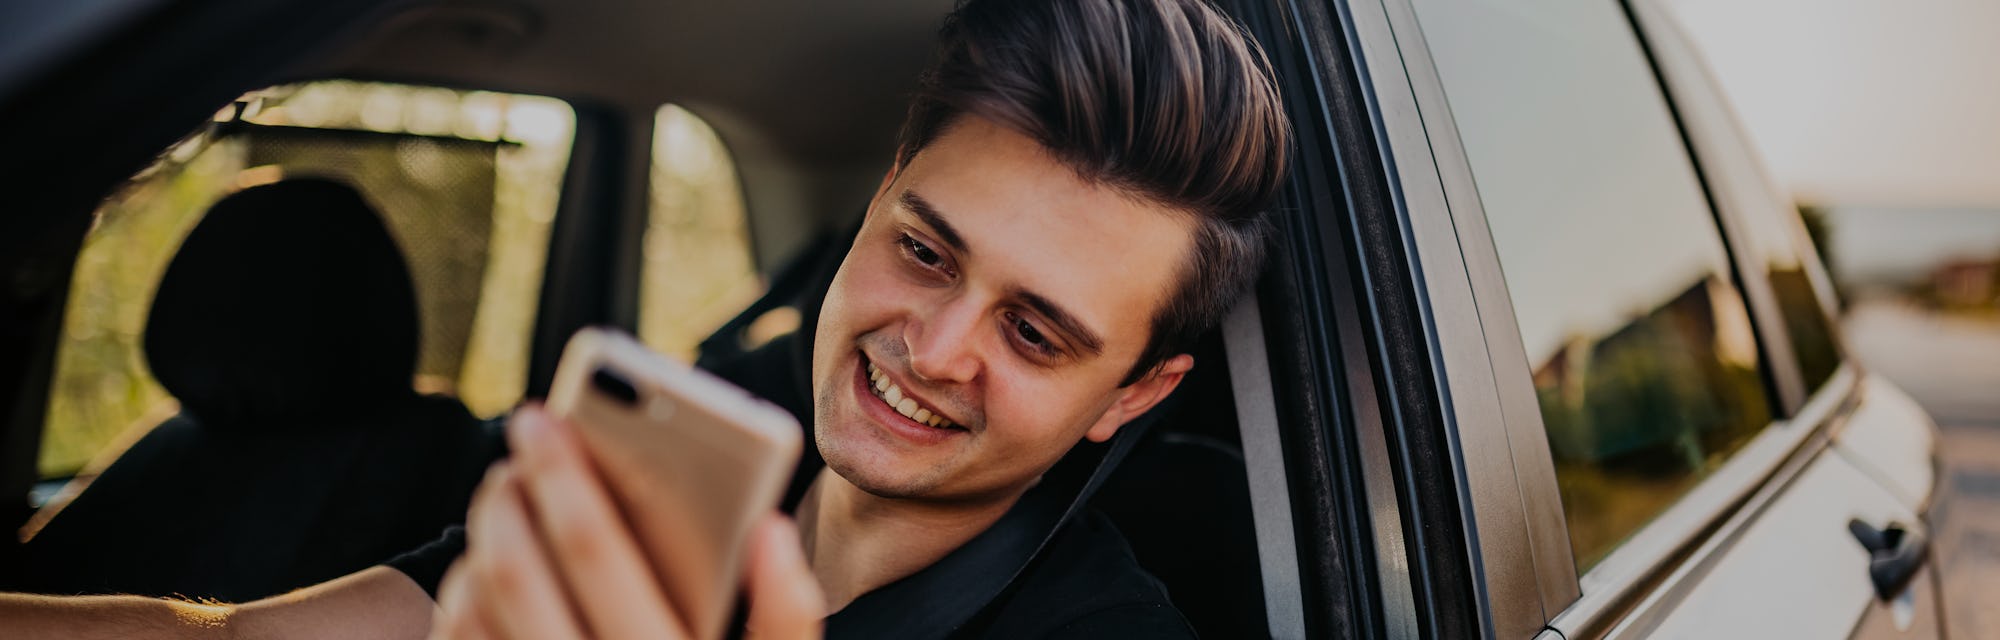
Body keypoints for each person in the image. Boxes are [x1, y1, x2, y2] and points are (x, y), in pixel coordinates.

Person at [0, 0, 1289, 636]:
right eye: (925, 251)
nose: (934, 349)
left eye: (1037, 335)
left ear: (1133, 393)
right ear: (877, 203)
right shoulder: (665, 487)